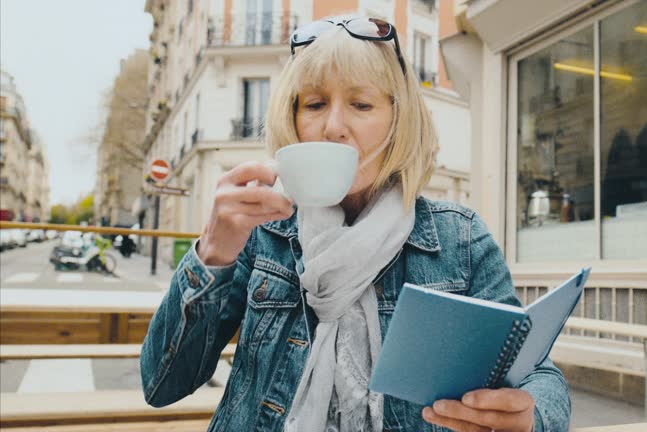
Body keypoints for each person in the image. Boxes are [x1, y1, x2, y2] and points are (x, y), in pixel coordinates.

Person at [140, 16, 571, 432]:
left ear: (398, 119)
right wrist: (213, 254)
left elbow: (535, 372)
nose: (332, 127)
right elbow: (162, 384)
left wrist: (530, 414)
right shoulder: (262, 233)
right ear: (293, 120)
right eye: (314, 104)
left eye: (361, 104)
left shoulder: (459, 238)